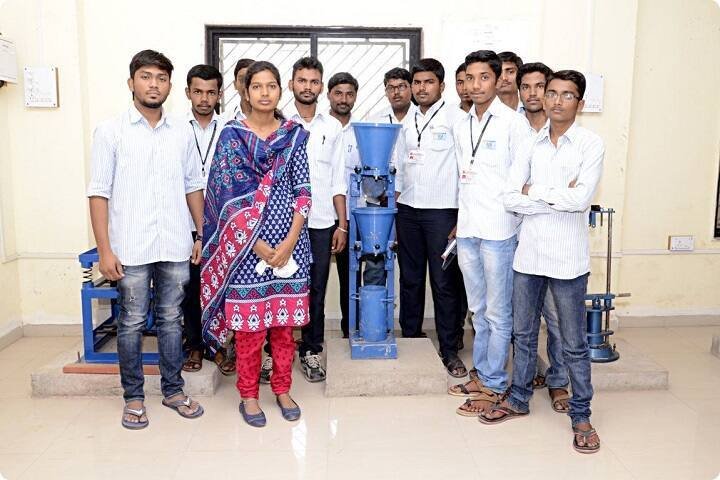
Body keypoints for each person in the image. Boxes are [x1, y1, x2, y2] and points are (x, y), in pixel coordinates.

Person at [482, 70, 603, 455]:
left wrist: (533, 191)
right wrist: (552, 197)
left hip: (568, 261)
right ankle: (518, 398)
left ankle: (581, 414)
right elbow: (508, 197)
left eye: (567, 95)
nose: (556, 101)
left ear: (580, 103)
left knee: (572, 342)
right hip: (529, 256)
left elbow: (580, 200)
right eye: (552, 93)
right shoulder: (529, 143)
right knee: (523, 334)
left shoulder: (590, 144)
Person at [87, 49, 205, 430]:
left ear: (170, 85)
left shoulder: (182, 132)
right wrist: (104, 250)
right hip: (131, 247)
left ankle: (173, 391)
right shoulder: (110, 132)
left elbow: (193, 185)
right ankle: (134, 397)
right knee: (132, 322)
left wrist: (201, 233)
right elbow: (98, 193)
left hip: (174, 243)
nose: (154, 84)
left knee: (171, 320)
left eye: (161, 78)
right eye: (146, 77)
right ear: (131, 83)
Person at [201, 61, 312, 428]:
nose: (265, 92)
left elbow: (303, 192)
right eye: (257, 86)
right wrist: (257, 244)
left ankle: (282, 389)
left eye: (271, 85)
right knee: (249, 331)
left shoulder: (294, 136)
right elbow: (225, 198)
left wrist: (290, 241)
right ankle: (248, 395)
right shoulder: (232, 137)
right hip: (246, 251)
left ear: (281, 90)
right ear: (245, 92)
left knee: (284, 328)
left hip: (290, 246)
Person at [446, 50, 530, 415]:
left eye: (484, 77)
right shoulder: (461, 123)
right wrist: (458, 225)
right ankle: (482, 374)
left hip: (499, 230)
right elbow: (463, 177)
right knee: (478, 310)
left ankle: (495, 384)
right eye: (470, 78)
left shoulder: (514, 124)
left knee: (497, 312)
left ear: (498, 80)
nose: (476, 85)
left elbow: (522, 179)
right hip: (468, 229)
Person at [395, 58, 466, 377]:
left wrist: (462, 216)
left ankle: (449, 349)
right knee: (409, 280)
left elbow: (466, 169)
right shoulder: (406, 120)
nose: (422, 88)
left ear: (441, 86)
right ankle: (411, 339)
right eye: (417, 82)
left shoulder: (457, 119)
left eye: (429, 82)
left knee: (444, 283)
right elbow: (400, 166)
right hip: (408, 210)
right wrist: (394, 207)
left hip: (442, 212)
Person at [284, 57, 346, 382]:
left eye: (313, 81)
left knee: (316, 290)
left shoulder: (332, 127)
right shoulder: (279, 123)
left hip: (321, 222)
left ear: (321, 86)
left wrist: (342, 224)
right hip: (283, 224)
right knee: (281, 288)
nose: (307, 87)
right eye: (302, 80)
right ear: (291, 84)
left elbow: (338, 180)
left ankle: (311, 350)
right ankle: (275, 354)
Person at [517, 61, 571, 413]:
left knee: (556, 318)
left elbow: (574, 195)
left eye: (541, 86)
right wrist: (548, 194)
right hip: (514, 235)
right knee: (520, 321)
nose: (534, 93)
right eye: (527, 86)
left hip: (555, 238)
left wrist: (533, 192)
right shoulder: (511, 127)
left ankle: (558, 381)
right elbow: (509, 189)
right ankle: (522, 381)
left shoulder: (568, 136)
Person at [327, 72, 386, 338]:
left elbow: (374, 174)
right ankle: (337, 330)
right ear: (329, 95)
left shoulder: (363, 131)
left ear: (355, 97)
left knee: (363, 273)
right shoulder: (320, 128)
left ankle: (361, 327)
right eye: (338, 93)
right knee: (334, 275)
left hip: (361, 213)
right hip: (325, 215)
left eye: (349, 94)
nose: (344, 99)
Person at [181, 64, 224, 374]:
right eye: (198, 91)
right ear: (188, 93)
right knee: (191, 288)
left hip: (222, 222)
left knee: (222, 286)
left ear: (219, 94)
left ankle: (219, 346)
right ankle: (195, 344)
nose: (204, 98)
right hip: (184, 221)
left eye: (211, 92)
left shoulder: (231, 128)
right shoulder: (175, 128)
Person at [228, 58, 255, 122]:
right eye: (242, 80)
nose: (246, 85)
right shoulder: (224, 120)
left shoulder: (276, 119)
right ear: (235, 85)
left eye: (251, 79)